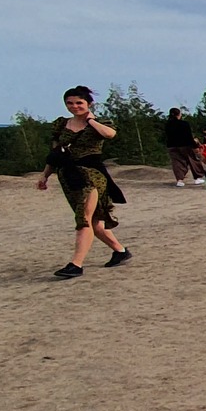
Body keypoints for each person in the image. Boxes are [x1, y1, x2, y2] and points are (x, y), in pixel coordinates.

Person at [36, 86, 129, 278]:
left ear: (89, 103)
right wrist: (45, 175)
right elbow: (55, 153)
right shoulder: (61, 125)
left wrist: (90, 120)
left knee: (83, 218)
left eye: (79, 103)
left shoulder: (99, 122)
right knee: (94, 223)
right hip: (68, 174)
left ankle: (76, 264)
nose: (74, 106)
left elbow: (110, 134)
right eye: (70, 103)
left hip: (91, 175)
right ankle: (120, 251)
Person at [164, 107, 205, 187]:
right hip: (185, 145)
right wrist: (195, 145)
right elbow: (188, 136)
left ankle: (180, 180)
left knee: (177, 163)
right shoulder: (184, 124)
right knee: (192, 160)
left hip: (172, 146)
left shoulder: (167, 124)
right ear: (179, 114)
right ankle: (197, 177)